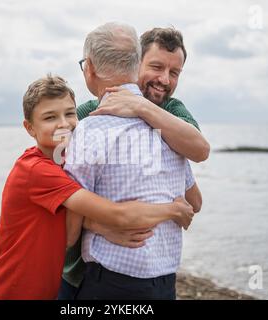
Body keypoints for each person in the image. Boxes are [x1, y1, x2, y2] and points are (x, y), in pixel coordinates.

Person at [0, 74, 194, 300]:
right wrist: (174, 210)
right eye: (50, 117)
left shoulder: (66, 163)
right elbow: (117, 213)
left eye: (70, 113)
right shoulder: (36, 171)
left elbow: (67, 235)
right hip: (8, 292)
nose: (64, 123)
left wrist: (97, 226)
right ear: (30, 128)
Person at [59, 26, 208, 300]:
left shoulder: (170, 115)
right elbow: (58, 192)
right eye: (156, 66)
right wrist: (100, 223)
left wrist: (142, 108)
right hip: (81, 271)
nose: (164, 79)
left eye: (174, 73)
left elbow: (200, 152)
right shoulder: (86, 115)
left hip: (117, 275)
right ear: (134, 61)